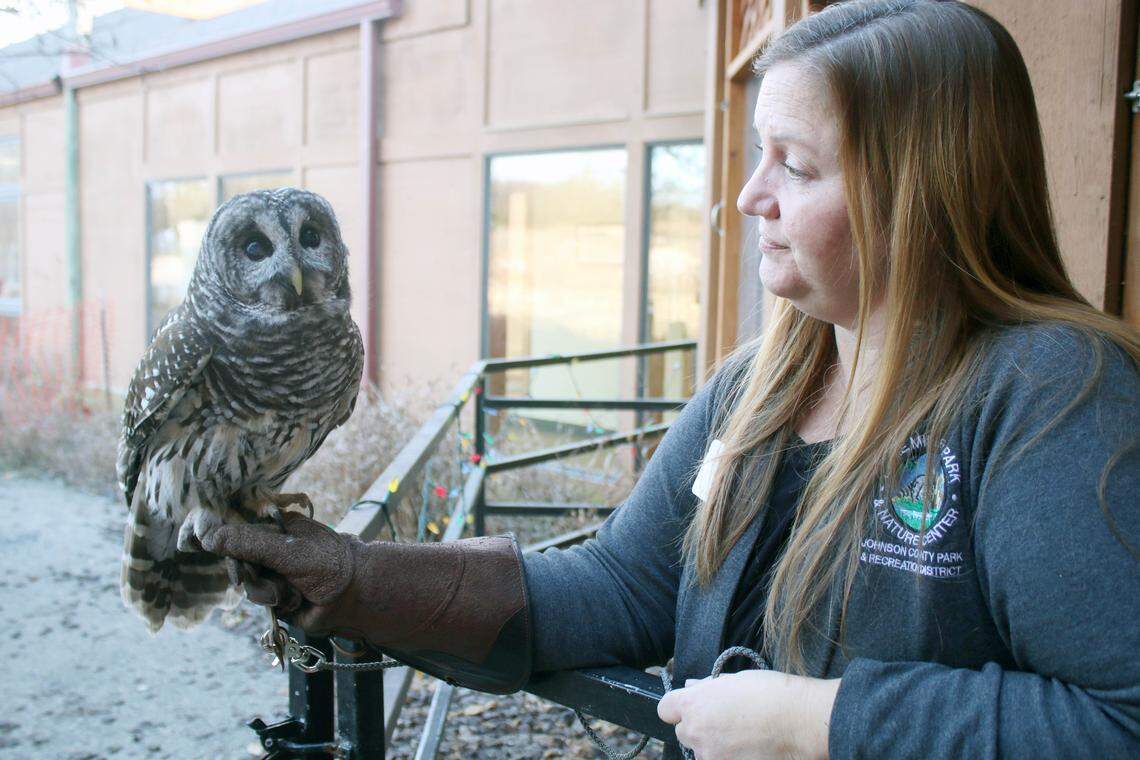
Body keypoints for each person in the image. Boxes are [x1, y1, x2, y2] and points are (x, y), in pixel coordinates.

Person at [202, 1, 1140, 757]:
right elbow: (622, 586)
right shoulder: (761, 386)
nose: (748, 196)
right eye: (757, 151)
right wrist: (355, 579)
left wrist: (817, 722)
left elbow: (1120, 721)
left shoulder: (1053, 394)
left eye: (796, 165)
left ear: (921, 194)